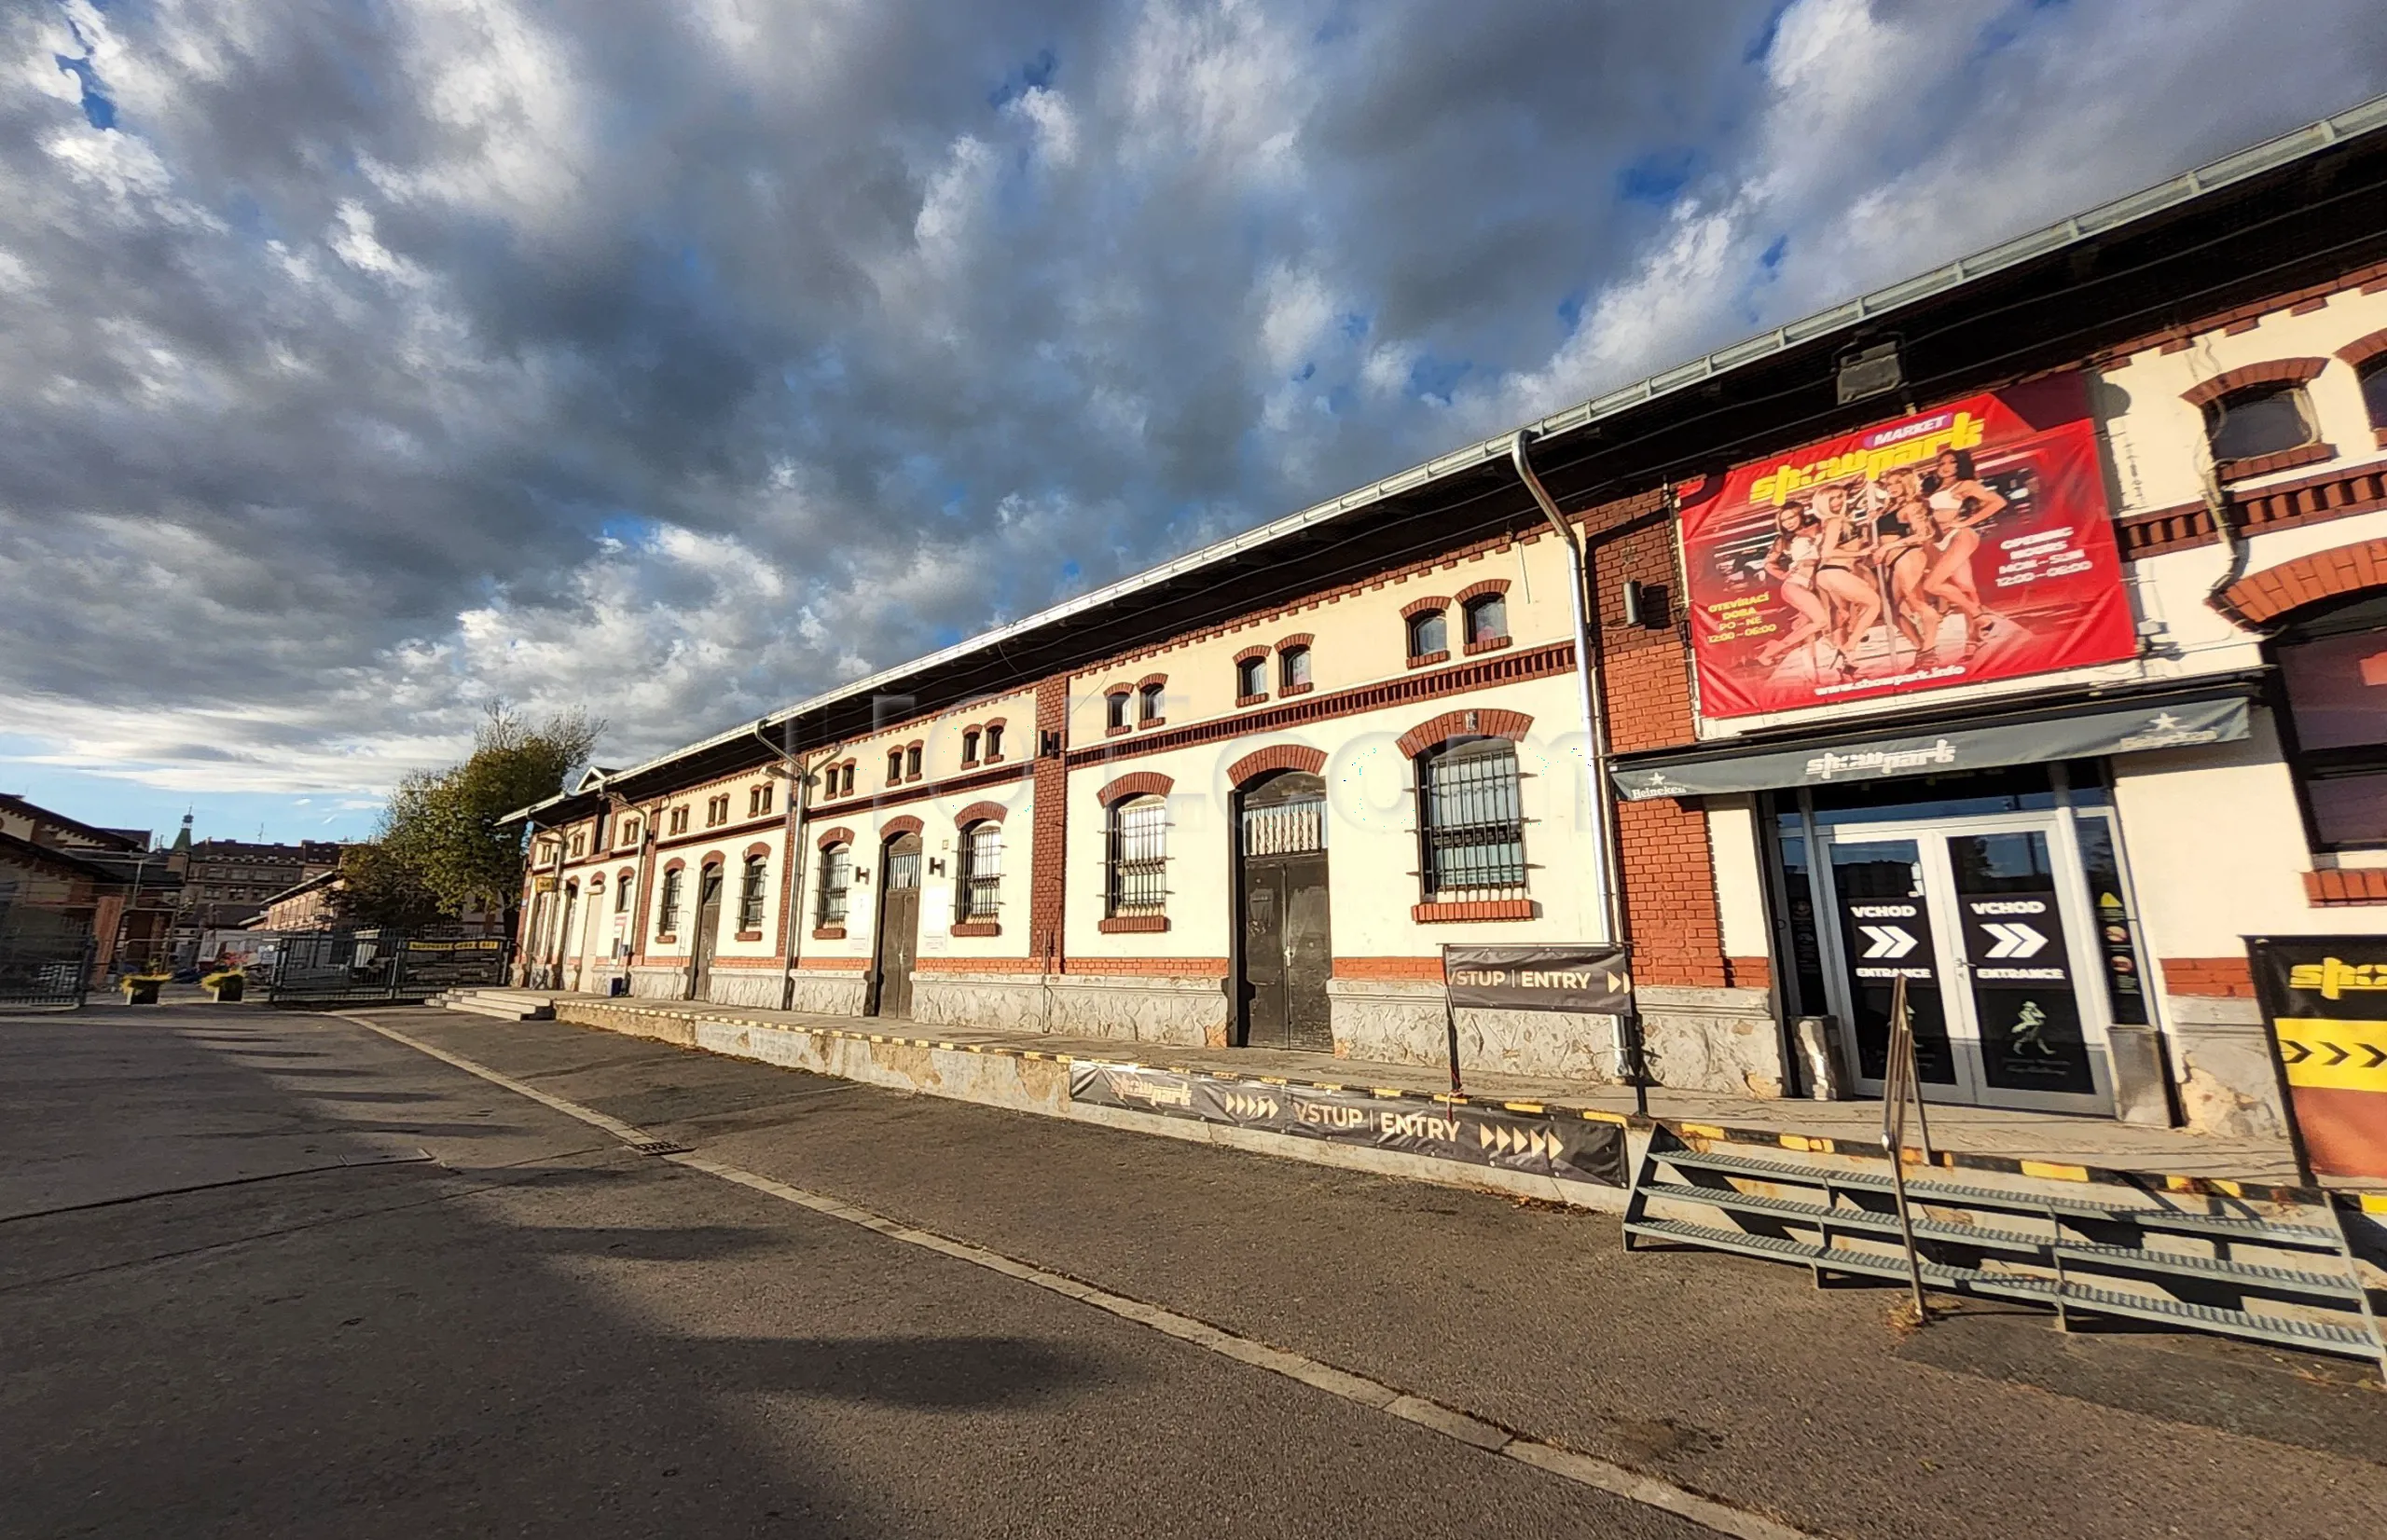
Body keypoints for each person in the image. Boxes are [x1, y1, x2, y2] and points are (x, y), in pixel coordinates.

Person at [1919, 447, 2007, 654]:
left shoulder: (1965, 485)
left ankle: (1978, 616)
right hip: (1939, 539)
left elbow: (1998, 502)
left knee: (1932, 584)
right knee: (1965, 587)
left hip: (1959, 536)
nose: (1946, 467)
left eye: (1952, 463)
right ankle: (1974, 638)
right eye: (1942, 463)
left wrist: (1967, 522)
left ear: (1960, 465)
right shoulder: (1936, 487)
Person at [1810, 483, 1882, 676]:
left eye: (1839, 496)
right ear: (1823, 502)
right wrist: (1862, 551)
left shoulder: (1835, 521)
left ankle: (1848, 659)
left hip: (1831, 573)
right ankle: (1849, 647)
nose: (1838, 501)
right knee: (1873, 603)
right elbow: (1827, 552)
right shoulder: (1833, 521)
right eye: (1832, 498)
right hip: (1834, 571)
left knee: (1846, 614)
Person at [1871, 467, 1942, 661]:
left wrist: (1887, 547)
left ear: (1907, 483)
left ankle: (1929, 648)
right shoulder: (1889, 507)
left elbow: (1922, 535)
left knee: (1916, 603)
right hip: (1894, 560)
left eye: (1898, 482)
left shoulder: (1911, 506)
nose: (1893, 487)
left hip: (1907, 555)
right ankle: (1922, 648)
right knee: (1891, 609)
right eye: (1890, 484)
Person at [1755, 502, 1829, 667]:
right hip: (1794, 585)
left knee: (1806, 629)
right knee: (1821, 621)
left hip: (1810, 586)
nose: (1788, 522)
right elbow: (1768, 564)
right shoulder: (1783, 540)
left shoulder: (1815, 527)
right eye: (1784, 520)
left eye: (1791, 517)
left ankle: (1812, 670)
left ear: (1800, 515)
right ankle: (1773, 649)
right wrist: (1782, 575)